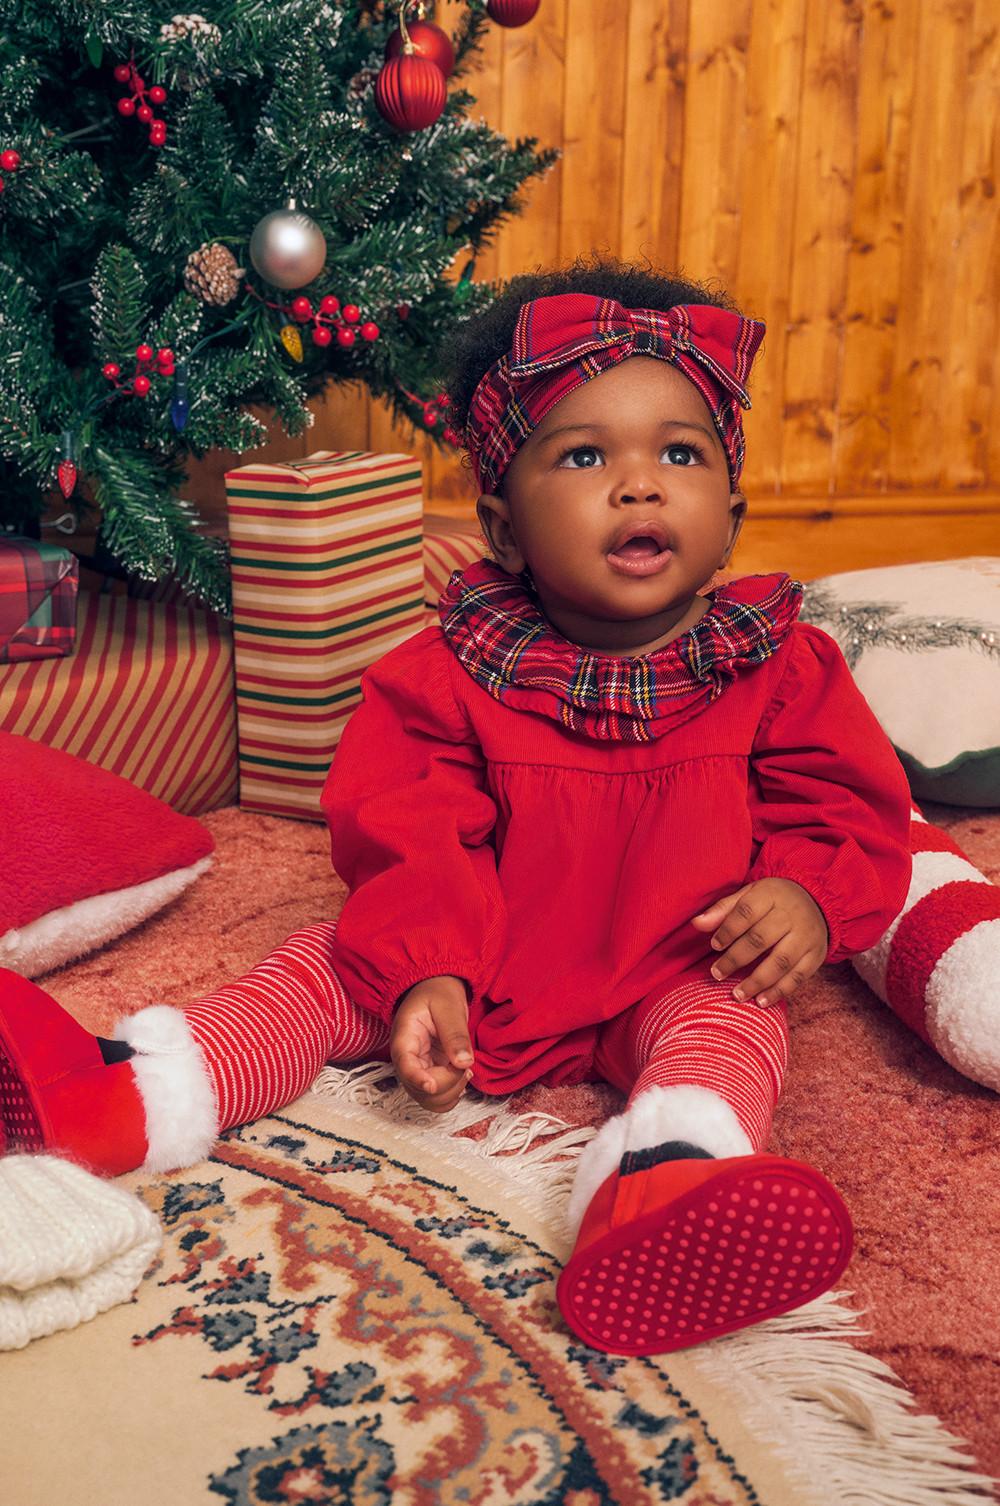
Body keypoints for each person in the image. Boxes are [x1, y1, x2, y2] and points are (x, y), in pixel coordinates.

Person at [0, 255, 913, 1357]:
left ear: (730, 511)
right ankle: (127, 1091)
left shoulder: (784, 666)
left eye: (680, 453)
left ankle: (665, 1181)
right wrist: (429, 963)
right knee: (319, 967)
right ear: (503, 524)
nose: (638, 484)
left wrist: (805, 896)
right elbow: (409, 827)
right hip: (472, 953)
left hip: (674, 960)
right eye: (584, 456)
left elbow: (850, 808)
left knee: (734, 1025)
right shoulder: (447, 671)